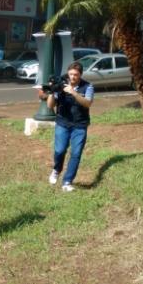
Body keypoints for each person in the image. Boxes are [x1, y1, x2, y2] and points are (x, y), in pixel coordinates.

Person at [39, 61, 94, 192]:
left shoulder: (88, 86)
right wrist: (53, 91)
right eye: (71, 74)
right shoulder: (61, 84)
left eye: (76, 75)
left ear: (80, 75)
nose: (73, 77)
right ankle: (57, 169)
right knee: (59, 150)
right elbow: (50, 106)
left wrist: (73, 93)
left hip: (80, 125)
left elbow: (87, 103)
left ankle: (67, 182)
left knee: (76, 153)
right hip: (62, 123)